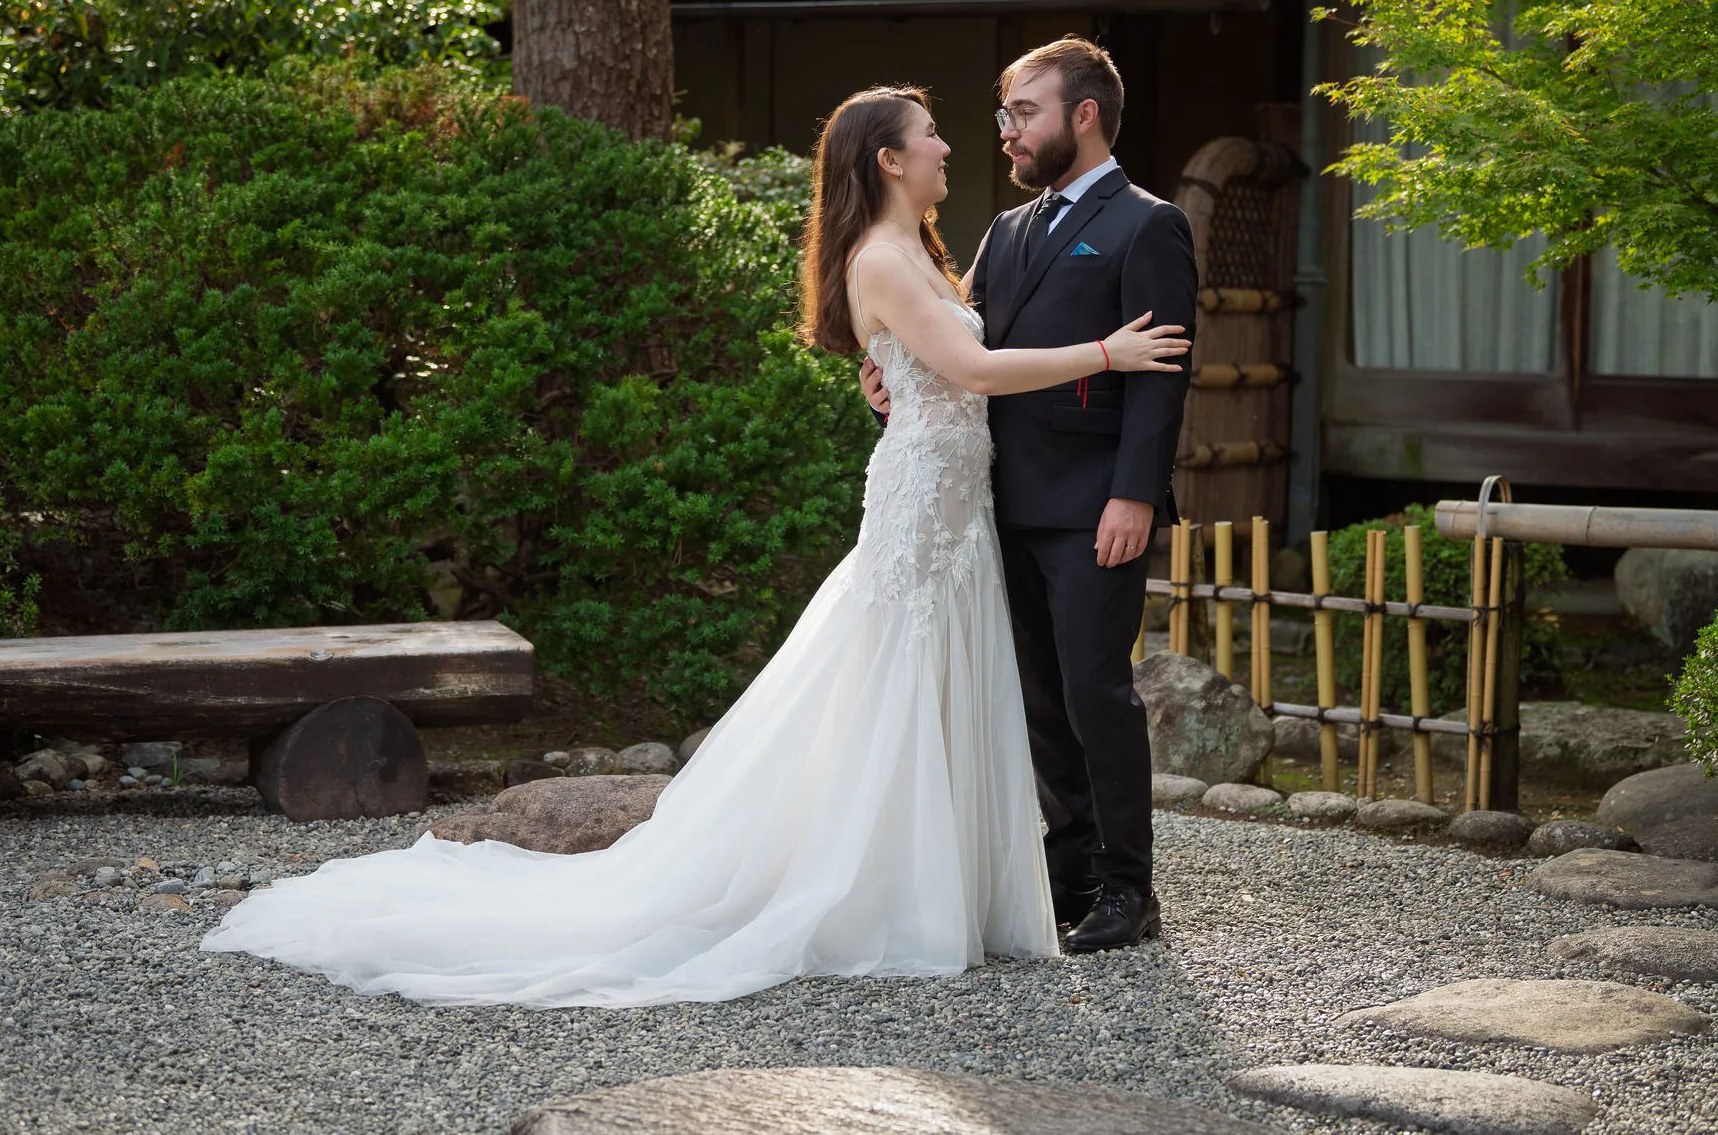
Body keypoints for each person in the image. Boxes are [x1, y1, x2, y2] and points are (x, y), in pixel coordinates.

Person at [198, 84, 1189, 1007]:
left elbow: (939, 341)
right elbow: (967, 359)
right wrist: (1104, 352)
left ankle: (960, 882)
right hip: (928, 501)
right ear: (888, 159)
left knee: (935, 680)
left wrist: (892, 367)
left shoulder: (925, 249)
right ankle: (880, 886)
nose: (950, 143)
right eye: (929, 134)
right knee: (895, 673)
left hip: (956, 496)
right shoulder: (886, 257)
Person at [864, 38, 1197, 953]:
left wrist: (1135, 495)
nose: (1006, 133)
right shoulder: (1007, 230)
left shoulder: (1148, 224)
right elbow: (959, 335)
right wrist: (884, 365)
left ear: (1082, 116)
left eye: (1025, 113)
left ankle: (1131, 889)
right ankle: (1071, 872)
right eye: (1005, 114)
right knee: (1037, 701)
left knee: (1098, 693)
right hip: (993, 501)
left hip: (1096, 506)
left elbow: (1163, 377)